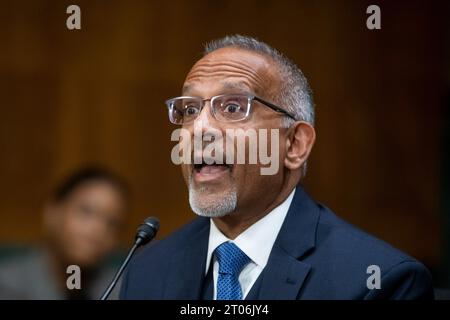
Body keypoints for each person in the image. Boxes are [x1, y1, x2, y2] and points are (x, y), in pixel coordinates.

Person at [120, 35, 434, 299]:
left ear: (295, 145)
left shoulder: (378, 282)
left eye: (232, 107)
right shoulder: (146, 272)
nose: (200, 129)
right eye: (190, 109)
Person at [0, 166, 129, 299]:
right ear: (52, 213)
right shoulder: (6, 285)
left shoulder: (121, 290)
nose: (98, 230)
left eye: (112, 223)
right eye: (86, 211)